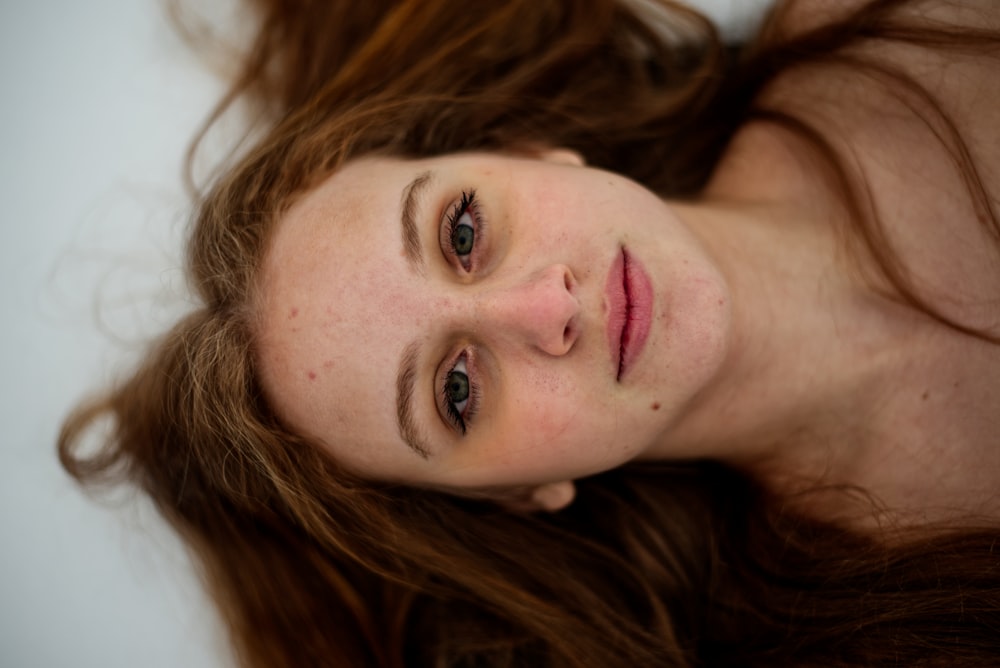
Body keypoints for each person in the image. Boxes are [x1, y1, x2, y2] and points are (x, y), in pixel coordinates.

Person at [59, 0, 1000, 665]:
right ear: (518, 496)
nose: (545, 310)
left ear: (526, 151)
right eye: (456, 391)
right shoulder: (866, 642)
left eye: (462, 232)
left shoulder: (908, 25)